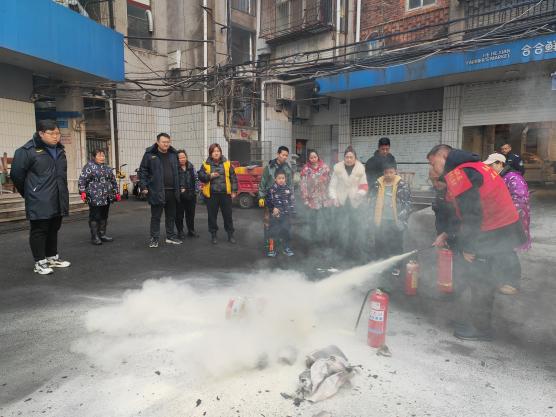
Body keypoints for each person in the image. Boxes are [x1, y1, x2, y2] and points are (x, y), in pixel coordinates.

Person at [427, 144, 524, 341]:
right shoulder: (472, 166)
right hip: (501, 226)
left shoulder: (460, 173)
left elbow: (472, 214)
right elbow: (463, 211)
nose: (432, 167)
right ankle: (478, 321)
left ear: (443, 156)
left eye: (432, 162)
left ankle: (481, 328)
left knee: (481, 276)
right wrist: (448, 233)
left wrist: (468, 246)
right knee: (480, 273)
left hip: (493, 229)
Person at [10, 120, 71, 275]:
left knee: (54, 228)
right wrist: (30, 193)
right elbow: (16, 175)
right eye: (52, 133)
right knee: (39, 230)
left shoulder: (60, 150)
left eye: (57, 133)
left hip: (58, 197)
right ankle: (40, 262)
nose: (56, 137)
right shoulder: (27, 151)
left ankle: (52, 257)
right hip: (39, 198)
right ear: (41, 133)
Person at [484, 152, 531, 295]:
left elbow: (520, 199)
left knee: (508, 250)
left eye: (491, 165)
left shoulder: (513, 177)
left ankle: (512, 283)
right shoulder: (499, 177)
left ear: (500, 163)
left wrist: (504, 214)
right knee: (500, 249)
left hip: (512, 220)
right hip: (501, 219)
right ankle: (500, 279)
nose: (489, 168)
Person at [139, 132, 183, 248]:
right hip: (156, 191)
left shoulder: (173, 154)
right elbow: (143, 171)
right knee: (156, 217)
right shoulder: (150, 154)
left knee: (171, 216)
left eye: (168, 142)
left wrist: (181, 185)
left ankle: (170, 236)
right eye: (163, 142)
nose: (166, 144)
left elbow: (179, 171)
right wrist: (143, 186)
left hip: (172, 191)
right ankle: (154, 238)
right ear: (157, 142)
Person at [329, 146, 368, 259]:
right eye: (347, 157)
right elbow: (332, 186)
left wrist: (360, 193)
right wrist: (334, 198)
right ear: (344, 157)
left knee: (354, 227)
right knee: (339, 226)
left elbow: (364, 185)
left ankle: (352, 251)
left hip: (355, 201)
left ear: (355, 158)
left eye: (351, 157)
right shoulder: (338, 168)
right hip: (340, 201)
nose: (349, 159)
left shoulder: (360, 169)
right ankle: (338, 249)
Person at [197, 143, 238, 244]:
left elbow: (233, 178)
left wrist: (234, 191)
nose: (216, 153)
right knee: (212, 216)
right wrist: (210, 176)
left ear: (220, 152)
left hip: (225, 194)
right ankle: (213, 235)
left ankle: (230, 234)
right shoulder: (205, 164)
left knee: (228, 216)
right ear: (210, 153)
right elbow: (201, 177)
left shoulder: (227, 163)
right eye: (214, 151)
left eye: (218, 151)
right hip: (211, 195)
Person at [78, 149, 120, 245]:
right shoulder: (89, 167)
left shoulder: (107, 168)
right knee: (95, 216)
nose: (102, 157)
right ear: (94, 157)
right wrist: (82, 192)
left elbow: (113, 180)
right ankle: (95, 236)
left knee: (104, 215)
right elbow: (82, 180)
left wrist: (116, 192)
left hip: (107, 196)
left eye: (103, 155)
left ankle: (102, 234)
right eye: (99, 155)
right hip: (94, 196)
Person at [371, 163, 411, 261]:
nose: (388, 175)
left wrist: (402, 219)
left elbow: (407, 203)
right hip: (381, 220)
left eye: (391, 172)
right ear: (383, 172)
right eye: (386, 172)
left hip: (396, 221)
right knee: (380, 244)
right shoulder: (377, 184)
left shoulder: (402, 185)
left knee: (396, 245)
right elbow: (372, 201)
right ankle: (380, 264)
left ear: (395, 172)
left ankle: (397, 265)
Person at [258, 146, 294, 250]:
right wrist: (261, 196)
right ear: (278, 154)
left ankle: (280, 241)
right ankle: (268, 241)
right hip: (270, 199)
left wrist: (291, 199)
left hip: (283, 201)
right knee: (268, 221)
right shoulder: (269, 167)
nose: (285, 157)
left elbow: (290, 185)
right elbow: (263, 182)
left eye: (286, 155)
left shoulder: (287, 168)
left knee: (283, 221)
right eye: (283, 155)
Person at [299, 150, 332, 240]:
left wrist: (331, 194)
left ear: (318, 157)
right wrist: (305, 198)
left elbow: (330, 181)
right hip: (312, 198)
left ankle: (328, 237)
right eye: (311, 157)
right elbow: (303, 185)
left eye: (315, 157)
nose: (313, 159)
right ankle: (314, 238)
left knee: (327, 218)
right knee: (313, 219)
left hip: (324, 197)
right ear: (309, 159)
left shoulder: (325, 167)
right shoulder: (306, 169)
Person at [265, 169, 296, 257]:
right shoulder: (271, 190)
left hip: (286, 215)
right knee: (273, 232)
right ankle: (272, 249)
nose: (281, 180)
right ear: (275, 179)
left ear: (285, 179)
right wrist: (273, 208)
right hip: (275, 215)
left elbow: (292, 201)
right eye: (279, 178)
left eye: (283, 178)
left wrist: (293, 212)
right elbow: (268, 201)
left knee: (286, 231)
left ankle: (286, 248)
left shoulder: (288, 190)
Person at [175, 150, 200, 239]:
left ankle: (191, 230)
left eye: (184, 157)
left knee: (190, 214)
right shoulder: (175, 168)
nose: (182, 159)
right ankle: (180, 232)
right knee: (179, 215)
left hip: (191, 194)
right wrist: (179, 189)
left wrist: (196, 191)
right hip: (180, 196)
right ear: (177, 159)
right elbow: (173, 182)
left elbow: (196, 179)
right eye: (180, 158)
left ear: (186, 157)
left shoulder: (191, 166)